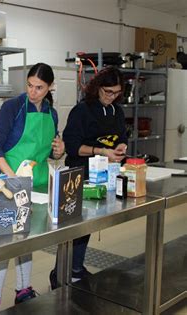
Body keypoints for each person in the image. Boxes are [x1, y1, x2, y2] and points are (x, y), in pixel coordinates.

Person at [0, 63, 65, 314]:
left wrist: (59, 150)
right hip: (8, 182)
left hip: (38, 185)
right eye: (29, 85)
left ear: (50, 87)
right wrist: (12, 179)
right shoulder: (13, 108)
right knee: (3, 244)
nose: (33, 92)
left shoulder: (52, 113)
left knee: (26, 239)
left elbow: (51, 151)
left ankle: (23, 290)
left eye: (39, 87)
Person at [49, 66, 127, 289]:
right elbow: (72, 147)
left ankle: (76, 268)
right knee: (74, 227)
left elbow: (121, 137)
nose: (111, 97)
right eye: (107, 92)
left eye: (116, 93)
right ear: (98, 88)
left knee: (89, 225)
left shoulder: (117, 112)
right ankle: (59, 274)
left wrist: (120, 147)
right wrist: (102, 151)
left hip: (103, 175)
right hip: (79, 175)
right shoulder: (82, 111)